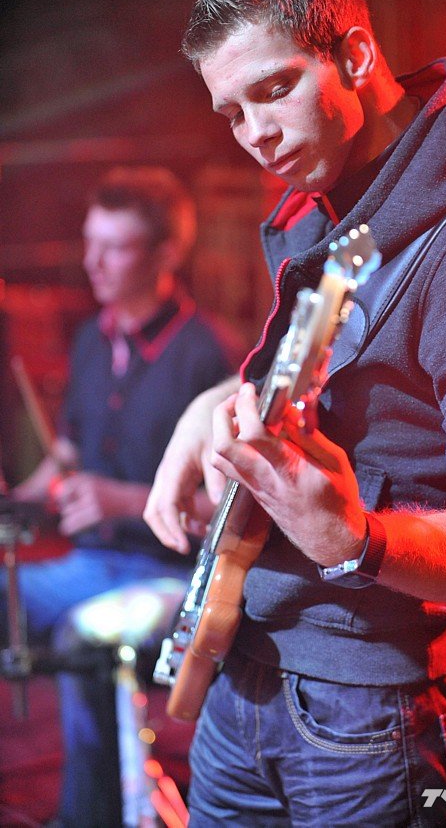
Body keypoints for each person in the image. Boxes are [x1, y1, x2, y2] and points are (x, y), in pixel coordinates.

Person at [143, 0, 446, 827]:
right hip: (245, 675)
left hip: (376, 716)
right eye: (231, 112)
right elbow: (337, 380)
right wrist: (207, 405)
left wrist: (358, 538)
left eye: (272, 90)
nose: (253, 133)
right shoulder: (321, 207)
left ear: (356, 55)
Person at [0, 166, 243, 826]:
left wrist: (119, 501)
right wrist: (17, 500)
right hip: (90, 564)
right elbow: (68, 454)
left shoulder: (212, 356)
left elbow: (233, 514)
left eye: (115, 247)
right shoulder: (92, 338)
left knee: (85, 636)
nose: (92, 261)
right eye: (90, 242)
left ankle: (90, 816)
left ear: (166, 254)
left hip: (169, 572)